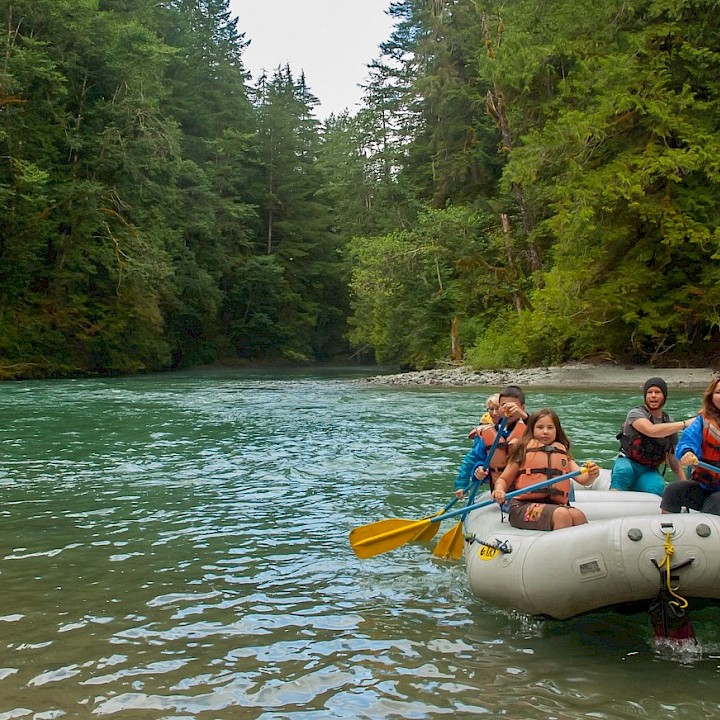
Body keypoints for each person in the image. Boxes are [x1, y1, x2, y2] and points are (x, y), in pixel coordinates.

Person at [491, 409, 600, 530]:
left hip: (554, 505)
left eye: (550, 428)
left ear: (556, 430)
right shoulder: (523, 450)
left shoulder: (562, 451)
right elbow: (504, 479)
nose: (545, 432)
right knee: (561, 515)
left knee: (578, 515)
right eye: (540, 427)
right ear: (532, 429)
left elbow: (583, 479)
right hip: (522, 507)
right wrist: (499, 490)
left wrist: (591, 475)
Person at [610, 377, 687, 496]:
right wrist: (685, 424)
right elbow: (651, 430)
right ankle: (614, 496)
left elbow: (673, 459)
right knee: (624, 471)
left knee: (657, 486)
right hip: (628, 461)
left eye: (657, 392)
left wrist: (685, 485)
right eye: (649, 392)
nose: (653, 395)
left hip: (649, 470)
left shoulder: (669, 423)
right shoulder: (635, 414)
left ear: (664, 396)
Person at [454, 385, 528, 499]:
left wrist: (524, 416)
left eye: (514, 406)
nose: (508, 409)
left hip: (527, 488)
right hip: (500, 489)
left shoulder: (533, 429)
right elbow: (472, 458)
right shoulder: (492, 432)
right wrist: (462, 483)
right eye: (503, 406)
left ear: (523, 408)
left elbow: (554, 439)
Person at [661, 376, 720, 514]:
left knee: (715, 502)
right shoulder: (702, 422)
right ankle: (667, 532)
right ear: (711, 396)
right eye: (718, 392)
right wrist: (688, 452)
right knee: (672, 491)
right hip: (703, 485)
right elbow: (688, 441)